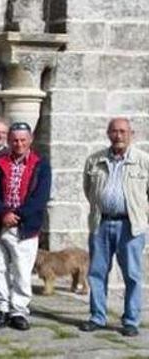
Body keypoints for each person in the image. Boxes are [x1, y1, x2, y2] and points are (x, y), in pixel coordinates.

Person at [79, 118, 149, 337]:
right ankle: (97, 317)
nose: (118, 135)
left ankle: (130, 320)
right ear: (108, 134)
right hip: (101, 222)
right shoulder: (95, 160)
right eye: (114, 131)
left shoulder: (143, 161)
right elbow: (88, 189)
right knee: (97, 273)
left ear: (131, 134)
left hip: (131, 226)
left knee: (132, 274)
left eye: (123, 131)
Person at [0, 122, 51, 331]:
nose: (19, 144)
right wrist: (4, 213)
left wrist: (18, 215)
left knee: (22, 271)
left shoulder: (41, 165)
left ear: (30, 140)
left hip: (25, 226)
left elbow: (40, 197)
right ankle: (2, 308)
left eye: (23, 140)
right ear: (9, 141)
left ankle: (19, 311)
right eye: (14, 140)